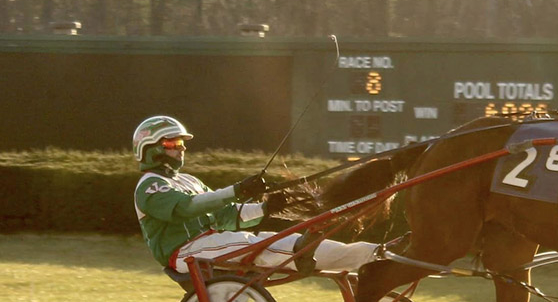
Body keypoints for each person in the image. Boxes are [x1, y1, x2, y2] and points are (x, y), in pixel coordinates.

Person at [132, 115, 377, 275]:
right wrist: (237, 190)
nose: (181, 148)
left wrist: (265, 208)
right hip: (186, 253)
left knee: (271, 240)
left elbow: (227, 216)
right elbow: (186, 208)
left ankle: (371, 254)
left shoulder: (190, 181)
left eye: (182, 144)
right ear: (148, 148)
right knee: (263, 245)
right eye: (171, 144)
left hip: (211, 245)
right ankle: (306, 253)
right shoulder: (149, 186)